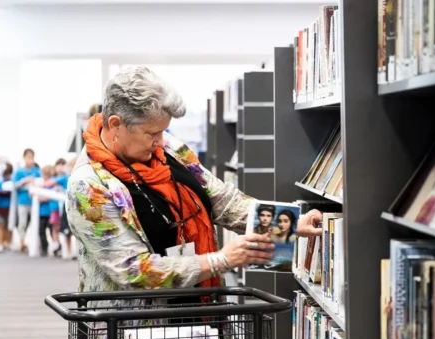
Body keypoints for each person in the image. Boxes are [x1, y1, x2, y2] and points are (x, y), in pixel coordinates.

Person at [66, 65, 322, 304]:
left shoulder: (169, 148)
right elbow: (134, 271)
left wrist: (288, 222)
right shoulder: (88, 187)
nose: (160, 141)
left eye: (163, 131)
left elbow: (220, 199)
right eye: (151, 133)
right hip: (131, 331)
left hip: (196, 311)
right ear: (116, 125)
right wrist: (220, 260)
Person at [13, 149, 41, 252]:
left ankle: (36, 243)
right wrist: (24, 181)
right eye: (28, 157)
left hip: (35, 202)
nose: (30, 159)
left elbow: (41, 184)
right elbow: (14, 185)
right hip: (22, 201)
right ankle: (22, 242)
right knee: (22, 223)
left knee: (34, 223)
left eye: (32, 157)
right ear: (24, 158)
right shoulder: (19, 172)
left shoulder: (37, 172)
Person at [0, 163, 13, 252]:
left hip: (10, 207)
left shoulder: (12, 182)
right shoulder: (0, 182)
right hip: (0, 207)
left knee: (9, 225)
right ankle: (0, 243)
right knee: (0, 225)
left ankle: (7, 242)